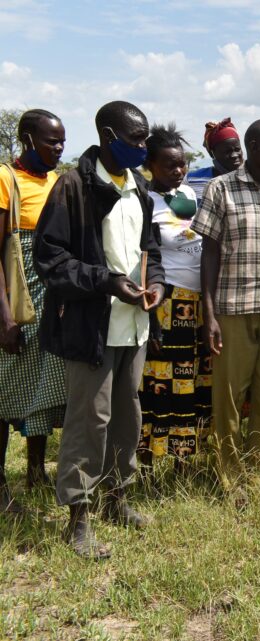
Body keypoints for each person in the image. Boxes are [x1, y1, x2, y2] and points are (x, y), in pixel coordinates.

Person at [34, 100, 165, 558]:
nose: (143, 147)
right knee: (90, 418)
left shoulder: (140, 189)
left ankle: (118, 497)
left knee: (128, 415)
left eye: (145, 139)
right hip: (93, 325)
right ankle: (79, 514)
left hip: (135, 324)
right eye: (136, 139)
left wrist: (156, 285)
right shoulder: (74, 187)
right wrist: (106, 282)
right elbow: (50, 260)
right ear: (109, 137)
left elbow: (152, 249)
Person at [191, 119, 260, 506]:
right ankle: (231, 478)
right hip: (233, 309)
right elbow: (210, 252)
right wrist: (210, 313)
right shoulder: (221, 188)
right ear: (252, 146)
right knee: (229, 399)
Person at [0, 109, 66, 513]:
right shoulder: (6, 180)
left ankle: (36, 471)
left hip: (47, 302)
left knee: (40, 387)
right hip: (13, 302)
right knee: (3, 393)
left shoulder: (57, 182)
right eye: (50, 141)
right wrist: (4, 317)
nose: (58, 149)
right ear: (26, 139)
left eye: (61, 142)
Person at [136, 124, 211, 470]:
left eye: (182, 163)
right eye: (170, 165)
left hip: (198, 301)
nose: (178, 171)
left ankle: (184, 462)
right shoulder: (144, 201)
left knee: (191, 380)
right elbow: (146, 258)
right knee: (160, 383)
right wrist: (152, 322)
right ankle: (148, 461)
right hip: (167, 304)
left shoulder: (190, 197)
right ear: (150, 164)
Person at [186, 117, 243, 203]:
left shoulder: (252, 179)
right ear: (213, 153)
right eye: (227, 151)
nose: (234, 155)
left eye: (237, 149)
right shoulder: (192, 180)